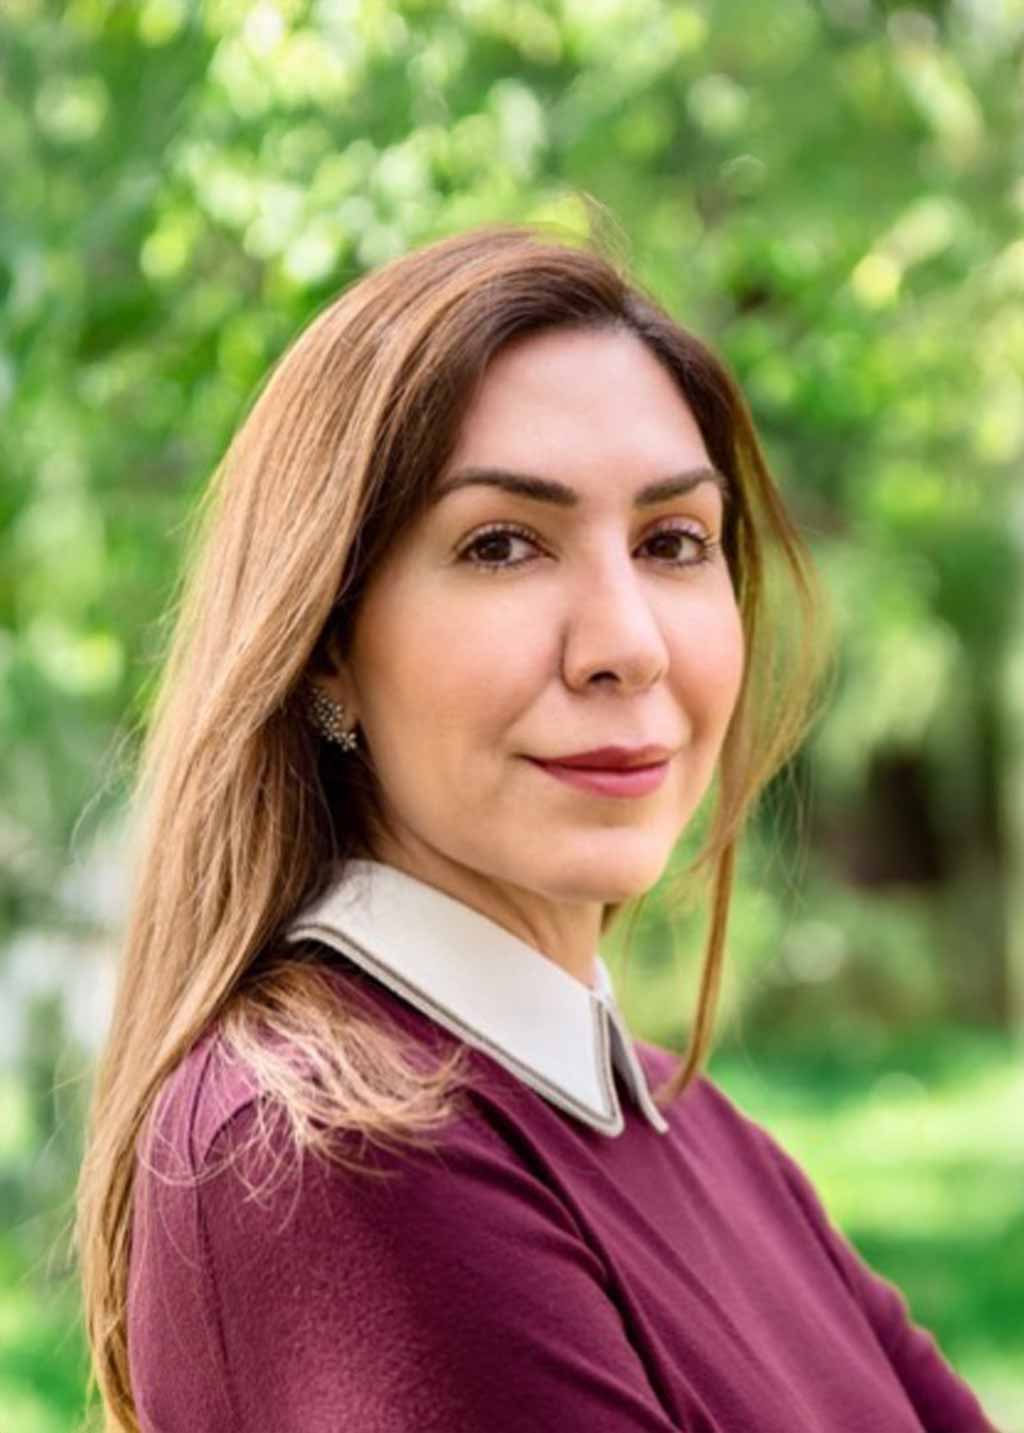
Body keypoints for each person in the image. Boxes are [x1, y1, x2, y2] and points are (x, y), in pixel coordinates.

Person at [75, 224, 997, 1432]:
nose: (626, 643)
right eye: (502, 544)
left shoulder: (694, 1128)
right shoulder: (325, 1148)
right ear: (328, 649)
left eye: (674, 541)